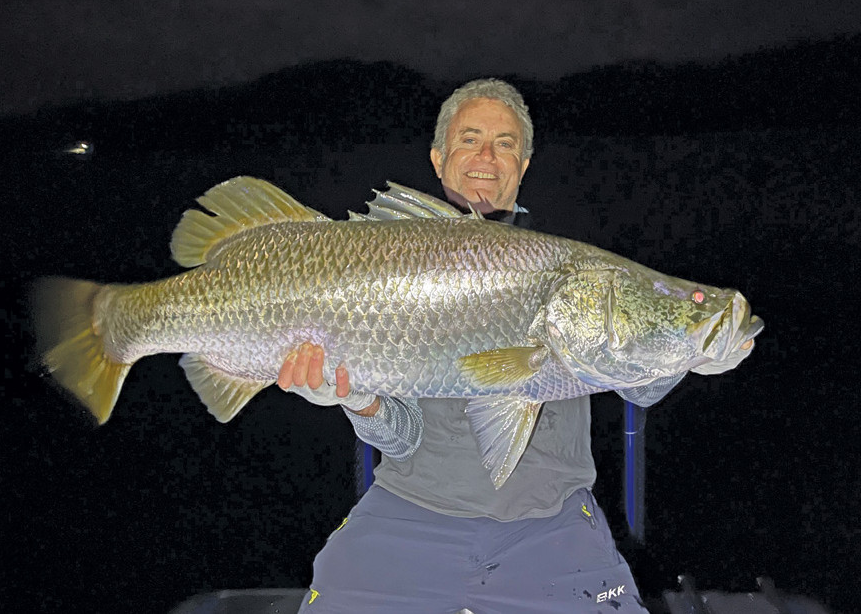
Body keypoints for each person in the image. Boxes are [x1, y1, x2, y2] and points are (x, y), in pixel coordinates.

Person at [278, 79, 651, 613]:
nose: (486, 157)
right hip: (408, 514)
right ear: (437, 157)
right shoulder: (379, 265)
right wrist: (355, 398)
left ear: (523, 165)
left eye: (505, 144)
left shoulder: (575, 272)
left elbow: (650, 375)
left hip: (553, 525)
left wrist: (701, 344)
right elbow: (398, 437)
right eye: (469, 139)